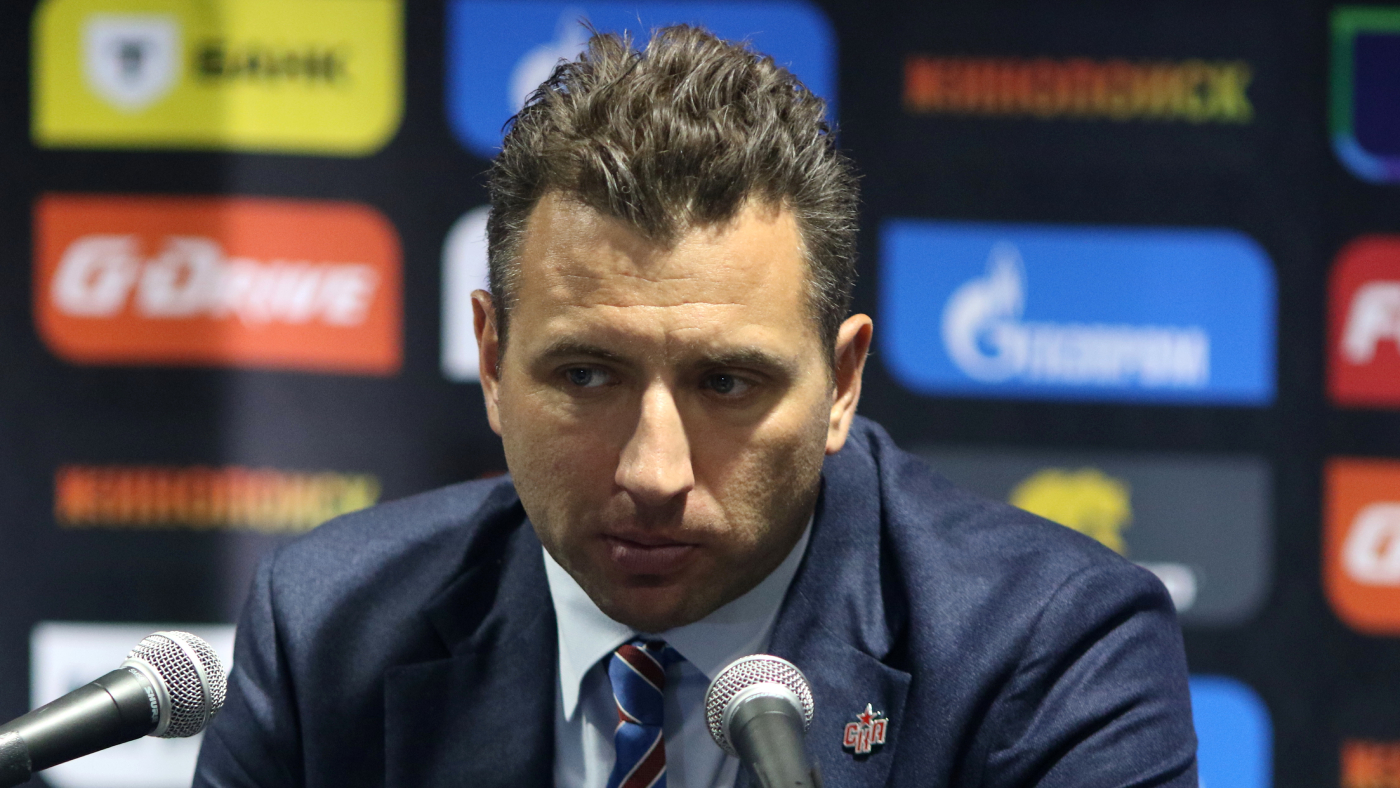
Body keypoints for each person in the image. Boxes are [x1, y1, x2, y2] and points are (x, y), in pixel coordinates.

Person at [194, 24, 1197, 788]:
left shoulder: (1048, 647)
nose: (653, 472)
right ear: (492, 362)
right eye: (586, 376)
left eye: (725, 384)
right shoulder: (331, 624)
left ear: (841, 383)